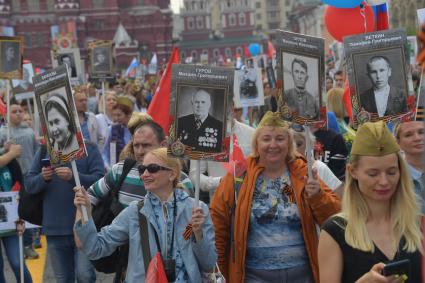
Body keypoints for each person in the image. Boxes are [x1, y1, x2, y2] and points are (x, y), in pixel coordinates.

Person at [210, 111, 341, 283]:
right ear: (257, 143)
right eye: (266, 139)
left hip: (302, 275)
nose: (273, 145)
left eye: (280, 138)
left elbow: (336, 220)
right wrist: (220, 272)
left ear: (289, 142)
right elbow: (218, 227)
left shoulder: (304, 172)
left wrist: (317, 196)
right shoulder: (239, 175)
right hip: (253, 277)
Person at [74, 147, 216, 282]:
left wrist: (198, 235)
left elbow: (209, 264)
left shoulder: (195, 210)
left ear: (172, 174)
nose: (145, 174)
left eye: (152, 169)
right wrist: (85, 212)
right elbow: (96, 247)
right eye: (142, 169)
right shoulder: (135, 211)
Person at [318, 121, 423, 283]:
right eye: (373, 174)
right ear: (352, 171)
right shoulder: (336, 231)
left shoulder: (416, 224)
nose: (384, 181)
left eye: (391, 172)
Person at [25, 140, 104, 283]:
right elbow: (29, 185)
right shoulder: (44, 149)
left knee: (85, 276)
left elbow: (100, 182)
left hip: (84, 226)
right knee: (62, 279)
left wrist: (73, 177)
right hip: (54, 229)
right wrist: (43, 178)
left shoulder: (88, 148)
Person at [0, 100, 40, 259]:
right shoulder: (3, 133)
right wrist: (5, 149)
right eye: (13, 111)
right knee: (14, 212)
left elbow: (36, 152)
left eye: (20, 111)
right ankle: (17, 241)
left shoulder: (29, 132)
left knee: (27, 211)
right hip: (11, 180)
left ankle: (28, 243)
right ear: (6, 114)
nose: (18, 114)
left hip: (28, 175)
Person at [0, 143, 33, 283]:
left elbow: (20, 187)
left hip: (10, 222)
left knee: (17, 262)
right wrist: (10, 153)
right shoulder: (9, 154)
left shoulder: (9, 159)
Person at [395, 121, 424, 213]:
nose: (417, 138)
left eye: (421, 132)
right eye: (408, 135)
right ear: (398, 143)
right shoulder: (395, 179)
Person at [102, 96, 133, 167]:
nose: (116, 118)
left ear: (128, 115)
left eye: (119, 115)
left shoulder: (135, 129)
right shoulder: (111, 129)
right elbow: (105, 152)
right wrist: (107, 166)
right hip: (116, 168)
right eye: (114, 115)